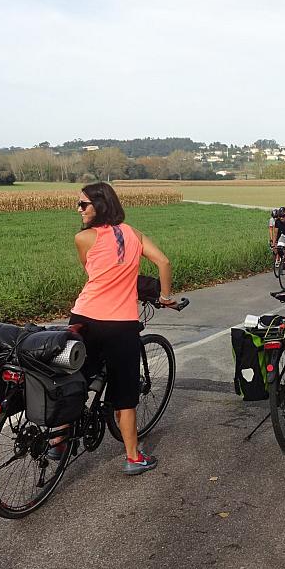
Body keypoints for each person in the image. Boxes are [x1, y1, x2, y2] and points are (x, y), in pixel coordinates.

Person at [66, 182, 176, 475]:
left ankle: (57, 439)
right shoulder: (132, 233)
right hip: (120, 325)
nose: (78, 209)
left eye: (83, 204)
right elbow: (163, 262)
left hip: (83, 319)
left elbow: (91, 274)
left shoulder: (83, 239)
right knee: (125, 395)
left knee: (73, 379)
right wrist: (164, 296)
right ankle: (133, 457)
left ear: (100, 206)